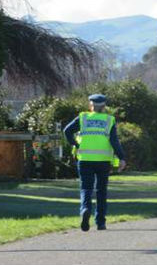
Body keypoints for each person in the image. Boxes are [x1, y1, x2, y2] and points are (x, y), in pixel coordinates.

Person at [64, 94, 126, 232]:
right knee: (101, 191)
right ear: (104, 107)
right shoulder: (109, 120)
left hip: (85, 159)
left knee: (86, 188)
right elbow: (114, 141)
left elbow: (67, 131)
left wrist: (75, 144)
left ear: (90, 106)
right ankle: (100, 222)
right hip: (103, 161)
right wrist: (122, 157)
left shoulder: (83, 118)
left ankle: (85, 209)